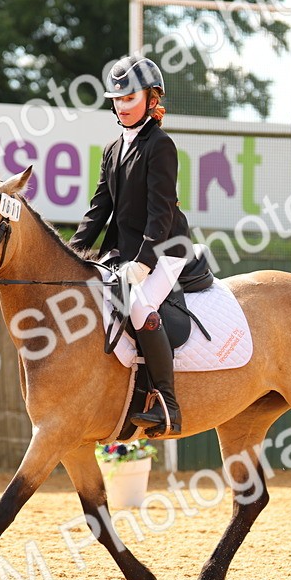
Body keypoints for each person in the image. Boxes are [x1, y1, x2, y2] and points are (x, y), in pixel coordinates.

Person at [69, 55, 191, 437]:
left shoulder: (161, 146)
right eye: (117, 100)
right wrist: (71, 253)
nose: (121, 106)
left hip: (163, 248)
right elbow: (98, 209)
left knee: (138, 305)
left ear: (153, 99)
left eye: (130, 98)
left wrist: (143, 262)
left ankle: (168, 406)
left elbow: (161, 212)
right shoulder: (113, 148)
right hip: (121, 251)